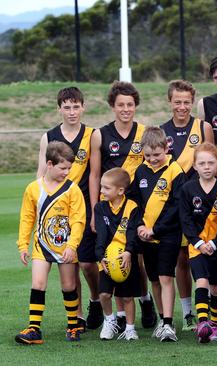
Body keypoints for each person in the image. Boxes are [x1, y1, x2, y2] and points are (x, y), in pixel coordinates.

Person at [89, 81, 156, 331]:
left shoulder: (145, 132)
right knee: (111, 256)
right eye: (120, 105)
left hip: (135, 206)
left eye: (130, 104)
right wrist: (96, 210)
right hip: (109, 208)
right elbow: (95, 175)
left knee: (136, 260)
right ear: (112, 106)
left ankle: (146, 301)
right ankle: (118, 316)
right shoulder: (100, 134)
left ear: (135, 106)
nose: (125, 109)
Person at [36, 87, 102, 331]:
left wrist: (95, 210)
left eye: (76, 106)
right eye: (67, 107)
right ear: (59, 109)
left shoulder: (92, 135)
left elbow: (95, 175)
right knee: (69, 264)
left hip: (82, 208)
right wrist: (40, 211)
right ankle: (77, 315)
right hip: (57, 213)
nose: (72, 112)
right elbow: (41, 176)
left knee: (87, 263)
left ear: (83, 107)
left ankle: (95, 300)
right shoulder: (49, 137)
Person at [15, 141, 85, 344]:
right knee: (37, 284)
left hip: (65, 248)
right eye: (63, 168)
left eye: (70, 168)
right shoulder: (33, 189)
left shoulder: (73, 190)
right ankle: (34, 329)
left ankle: (73, 325)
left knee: (68, 285)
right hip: (41, 245)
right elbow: (27, 218)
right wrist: (22, 245)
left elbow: (78, 220)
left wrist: (72, 246)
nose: (67, 172)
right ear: (49, 164)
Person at [160, 80, 215, 332]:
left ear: (192, 103)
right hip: (174, 207)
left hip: (203, 207)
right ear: (169, 101)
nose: (182, 107)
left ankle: (214, 310)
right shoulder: (161, 132)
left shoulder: (202, 127)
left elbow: (214, 163)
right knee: (181, 258)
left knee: (205, 255)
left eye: (186, 102)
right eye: (177, 101)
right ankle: (188, 312)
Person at [129, 126, 186, 342]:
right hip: (146, 236)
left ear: (166, 148)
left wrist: (156, 229)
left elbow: (176, 206)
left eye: (157, 155)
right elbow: (134, 202)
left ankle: (169, 324)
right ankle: (162, 320)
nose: (152, 159)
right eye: (148, 155)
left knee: (165, 277)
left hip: (168, 234)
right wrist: (141, 227)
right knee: (154, 279)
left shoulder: (175, 170)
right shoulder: (140, 171)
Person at [179, 143, 217, 343]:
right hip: (196, 247)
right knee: (201, 280)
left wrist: (214, 243)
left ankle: (214, 324)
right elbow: (185, 219)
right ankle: (202, 323)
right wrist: (196, 242)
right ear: (194, 165)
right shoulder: (187, 189)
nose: (206, 167)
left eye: (211, 163)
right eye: (201, 163)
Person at [95, 168, 142, 341]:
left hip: (126, 258)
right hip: (107, 259)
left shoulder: (132, 207)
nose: (101, 191)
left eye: (106, 188)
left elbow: (132, 233)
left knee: (127, 297)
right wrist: (101, 257)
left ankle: (130, 328)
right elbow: (100, 235)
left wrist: (129, 252)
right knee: (104, 295)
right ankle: (110, 320)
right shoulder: (100, 207)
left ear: (120, 191)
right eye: (101, 187)